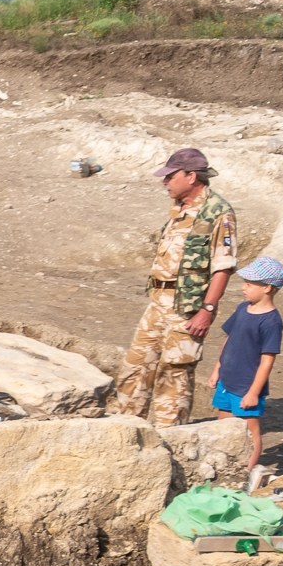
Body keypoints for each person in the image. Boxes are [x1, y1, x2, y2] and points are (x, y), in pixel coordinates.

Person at [112, 148, 238, 428]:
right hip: (158, 302)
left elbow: (223, 266)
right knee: (135, 367)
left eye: (170, 176)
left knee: (175, 373)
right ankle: (124, 427)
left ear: (191, 176)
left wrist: (207, 309)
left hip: (187, 307)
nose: (165, 182)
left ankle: (170, 436)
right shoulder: (179, 210)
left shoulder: (217, 212)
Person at [208, 255, 283, 472]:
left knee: (249, 429)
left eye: (250, 284)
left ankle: (246, 472)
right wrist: (217, 369)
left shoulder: (271, 321)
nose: (244, 287)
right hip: (227, 379)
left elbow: (267, 361)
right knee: (223, 425)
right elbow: (229, 339)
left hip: (246, 385)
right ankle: (225, 468)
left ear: (267, 288)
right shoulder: (243, 309)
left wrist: (253, 392)